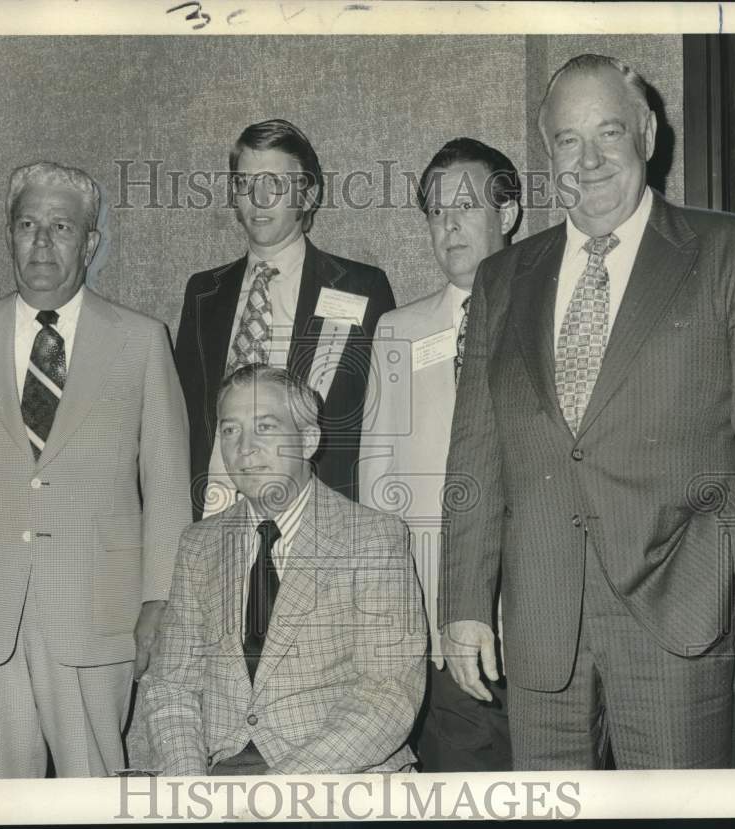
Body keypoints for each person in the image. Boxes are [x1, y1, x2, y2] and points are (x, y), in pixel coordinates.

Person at [440, 54, 735, 769]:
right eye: (569, 141)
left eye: (610, 133)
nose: (591, 159)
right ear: (549, 155)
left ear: (648, 133)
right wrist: (465, 599)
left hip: (679, 628)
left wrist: (706, 576)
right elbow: (475, 453)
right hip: (540, 632)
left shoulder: (734, 252)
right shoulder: (502, 278)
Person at [0, 161, 191, 778]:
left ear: (90, 242)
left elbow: (166, 482)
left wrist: (160, 600)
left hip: (98, 612)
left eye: (61, 226)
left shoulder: (140, 340)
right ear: (8, 234)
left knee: (94, 794)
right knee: (2, 801)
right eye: (28, 224)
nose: (42, 241)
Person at [141, 364, 427, 775]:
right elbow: (172, 686)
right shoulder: (198, 544)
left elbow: (389, 693)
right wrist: (190, 789)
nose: (245, 448)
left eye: (266, 427)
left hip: (338, 778)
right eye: (230, 430)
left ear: (308, 439)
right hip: (221, 778)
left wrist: (281, 791)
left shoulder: (372, 537)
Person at [359, 138, 520, 771]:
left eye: (464, 205)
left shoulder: (549, 319)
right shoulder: (398, 331)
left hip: (538, 619)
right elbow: (376, 485)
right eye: (434, 211)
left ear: (506, 213)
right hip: (433, 618)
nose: (447, 224)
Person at [175, 118, 395, 521]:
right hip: (214, 516)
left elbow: (382, 425)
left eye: (274, 183)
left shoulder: (362, 289)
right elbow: (183, 421)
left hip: (318, 522)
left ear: (308, 195)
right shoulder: (203, 294)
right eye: (244, 183)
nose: (258, 199)